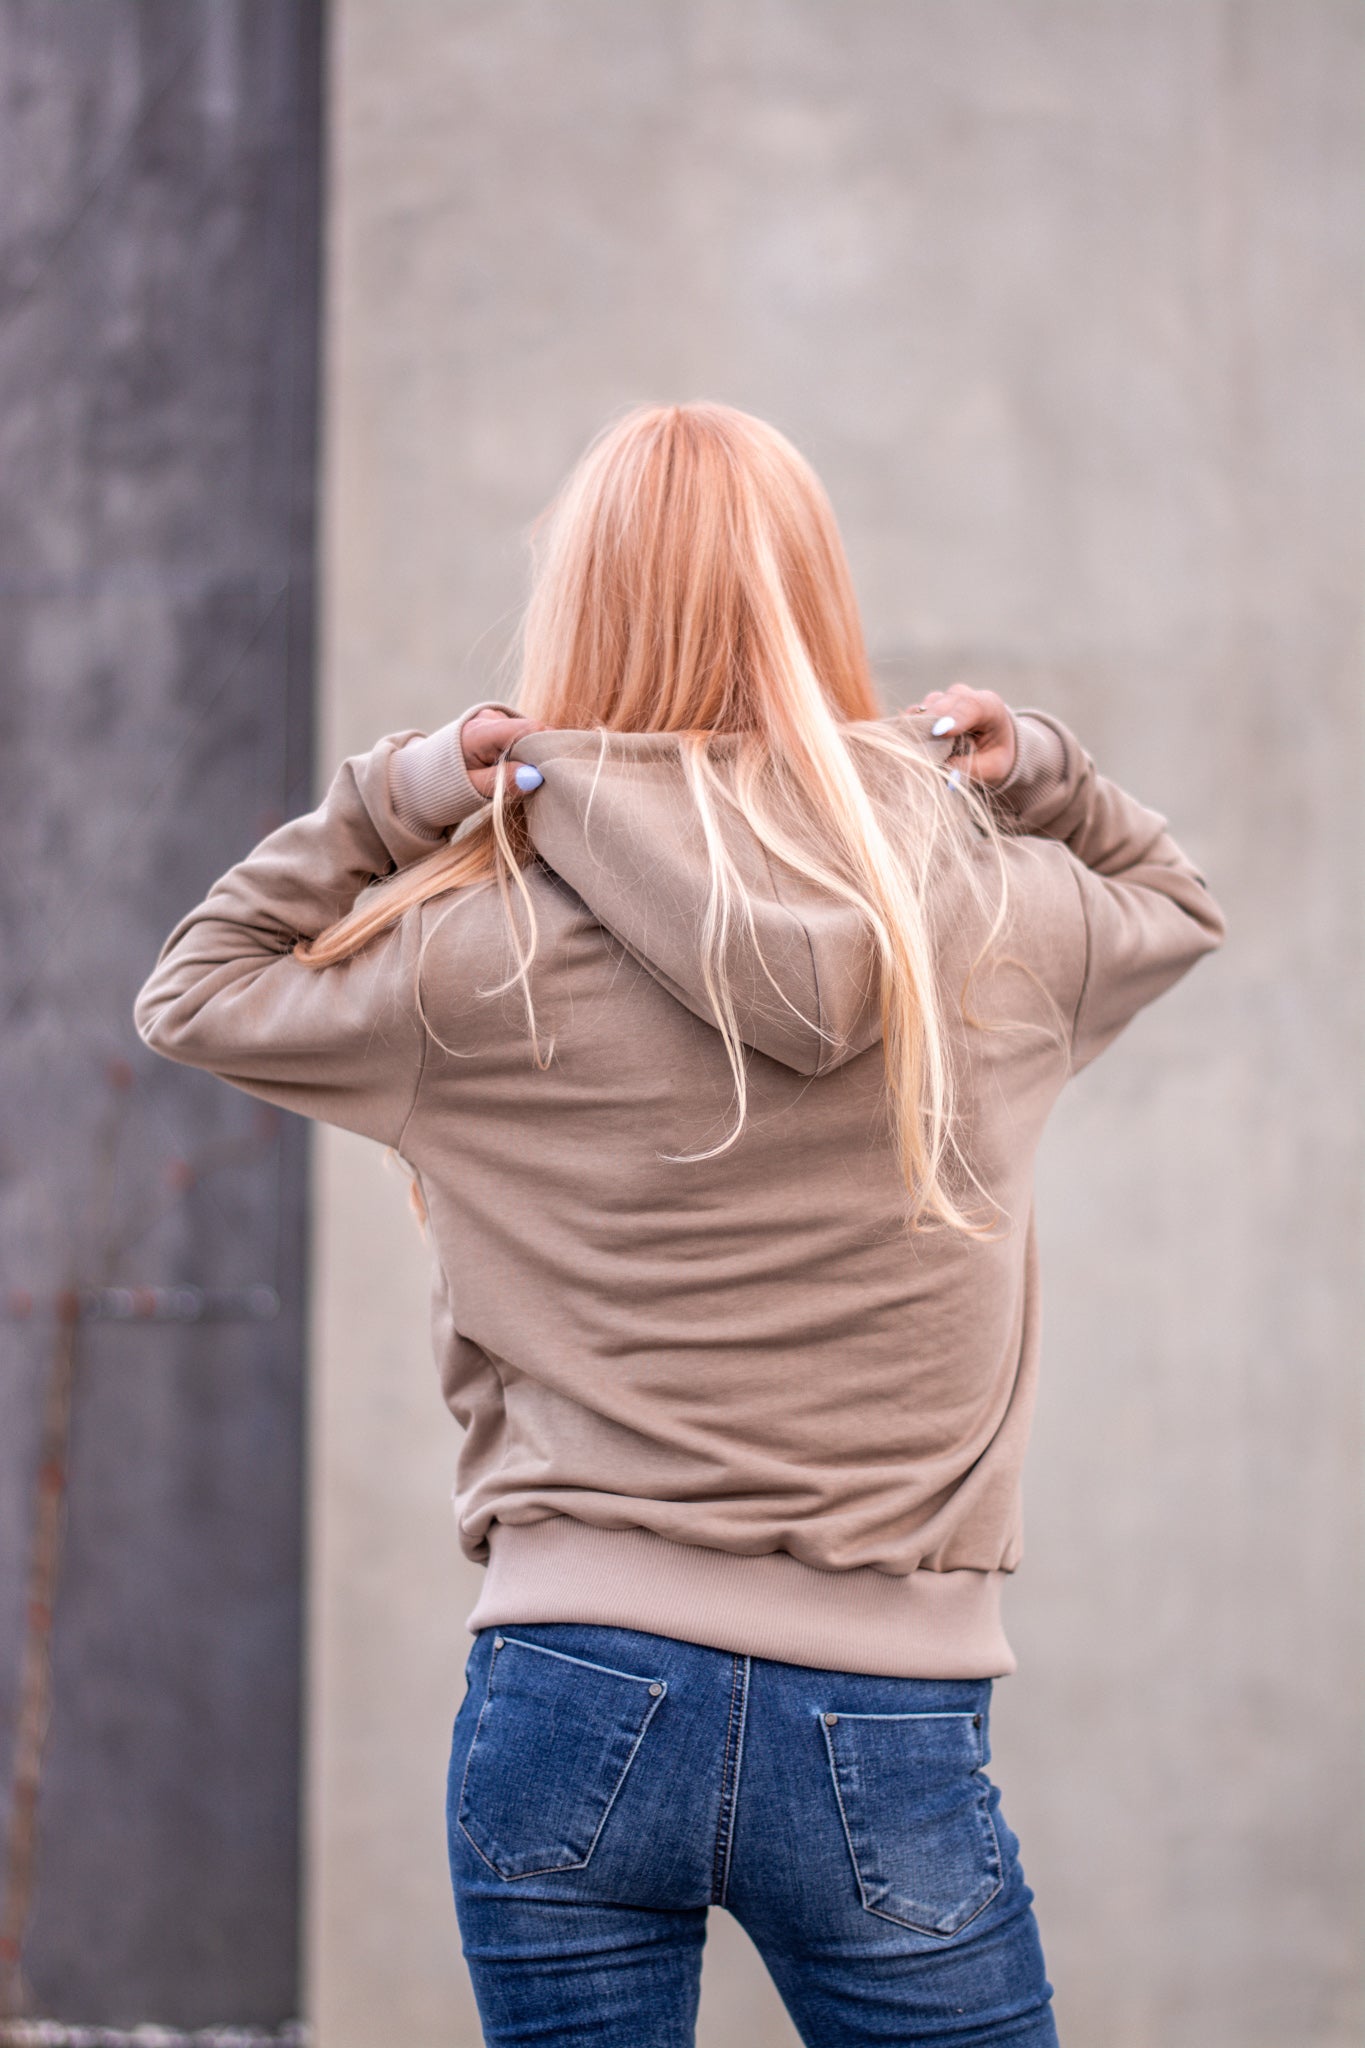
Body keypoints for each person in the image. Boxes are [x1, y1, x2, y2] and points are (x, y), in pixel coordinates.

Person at [135, 401, 1225, 2048]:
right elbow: (1177, 905)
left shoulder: (471, 954)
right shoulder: (993, 927)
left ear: (578, 607)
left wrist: (405, 792)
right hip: (887, 1709)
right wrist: (1042, 770)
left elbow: (194, 992)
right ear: (813, 601)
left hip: (570, 1685)